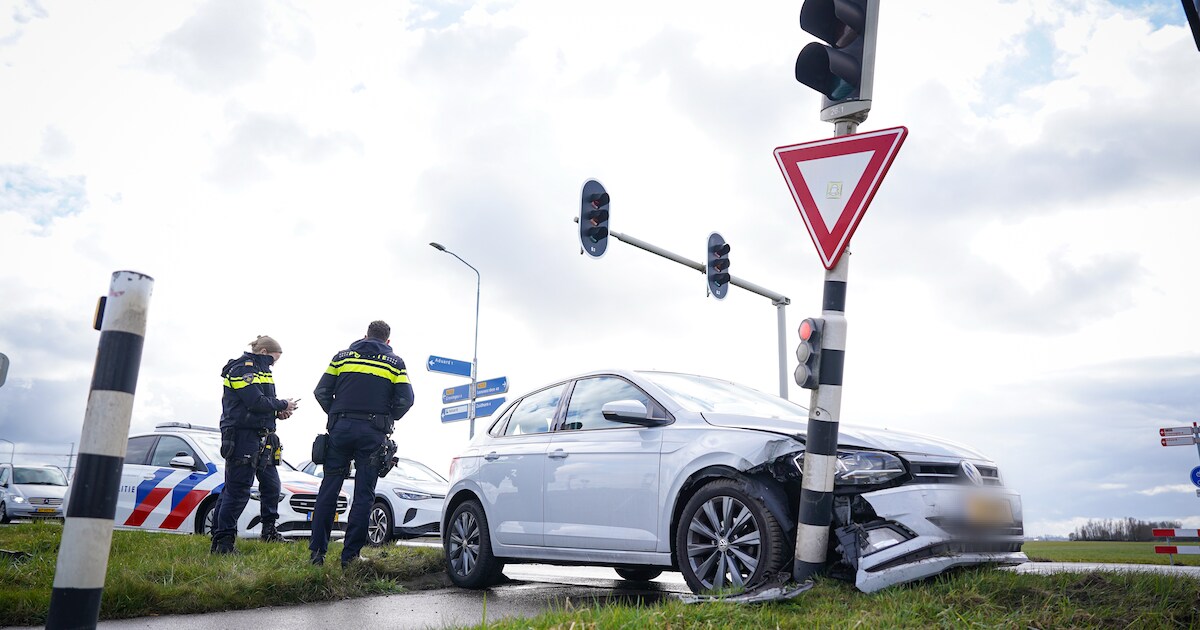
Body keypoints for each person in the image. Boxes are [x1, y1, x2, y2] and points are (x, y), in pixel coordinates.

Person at [309, 320, 414, 567]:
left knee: (329, 489)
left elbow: (321, 391)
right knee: (364, 494)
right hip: (372, 433)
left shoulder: (341, 358)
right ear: (388, 341)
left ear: (365, 336)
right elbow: (406, 400)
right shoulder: (395, 363)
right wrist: (387, 418)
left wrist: (335, 414)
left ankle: (317, 554)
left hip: (340, 429)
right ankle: (350, 557)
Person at [211, 335, 298, 554]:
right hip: (242, 436)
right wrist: (282, 403)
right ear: (263, 353)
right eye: (272, 360)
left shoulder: (262, 371)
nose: (273, 365)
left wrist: (279, 412)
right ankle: (223, 543)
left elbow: (264, 406)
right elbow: (255, 402)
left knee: (271, 485)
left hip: (263, 435)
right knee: (238, 489)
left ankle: (269, 532)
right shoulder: (242, 369)